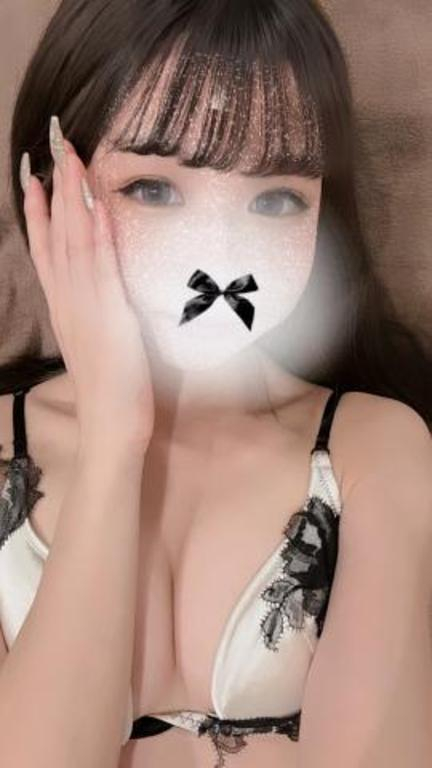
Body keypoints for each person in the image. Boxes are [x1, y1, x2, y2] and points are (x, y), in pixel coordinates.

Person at [0, 1, 431, 768]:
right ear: (51, 184)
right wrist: (113, 436)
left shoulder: (375, 452)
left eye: (275, 198)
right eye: (154, 189)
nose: (220, 254)